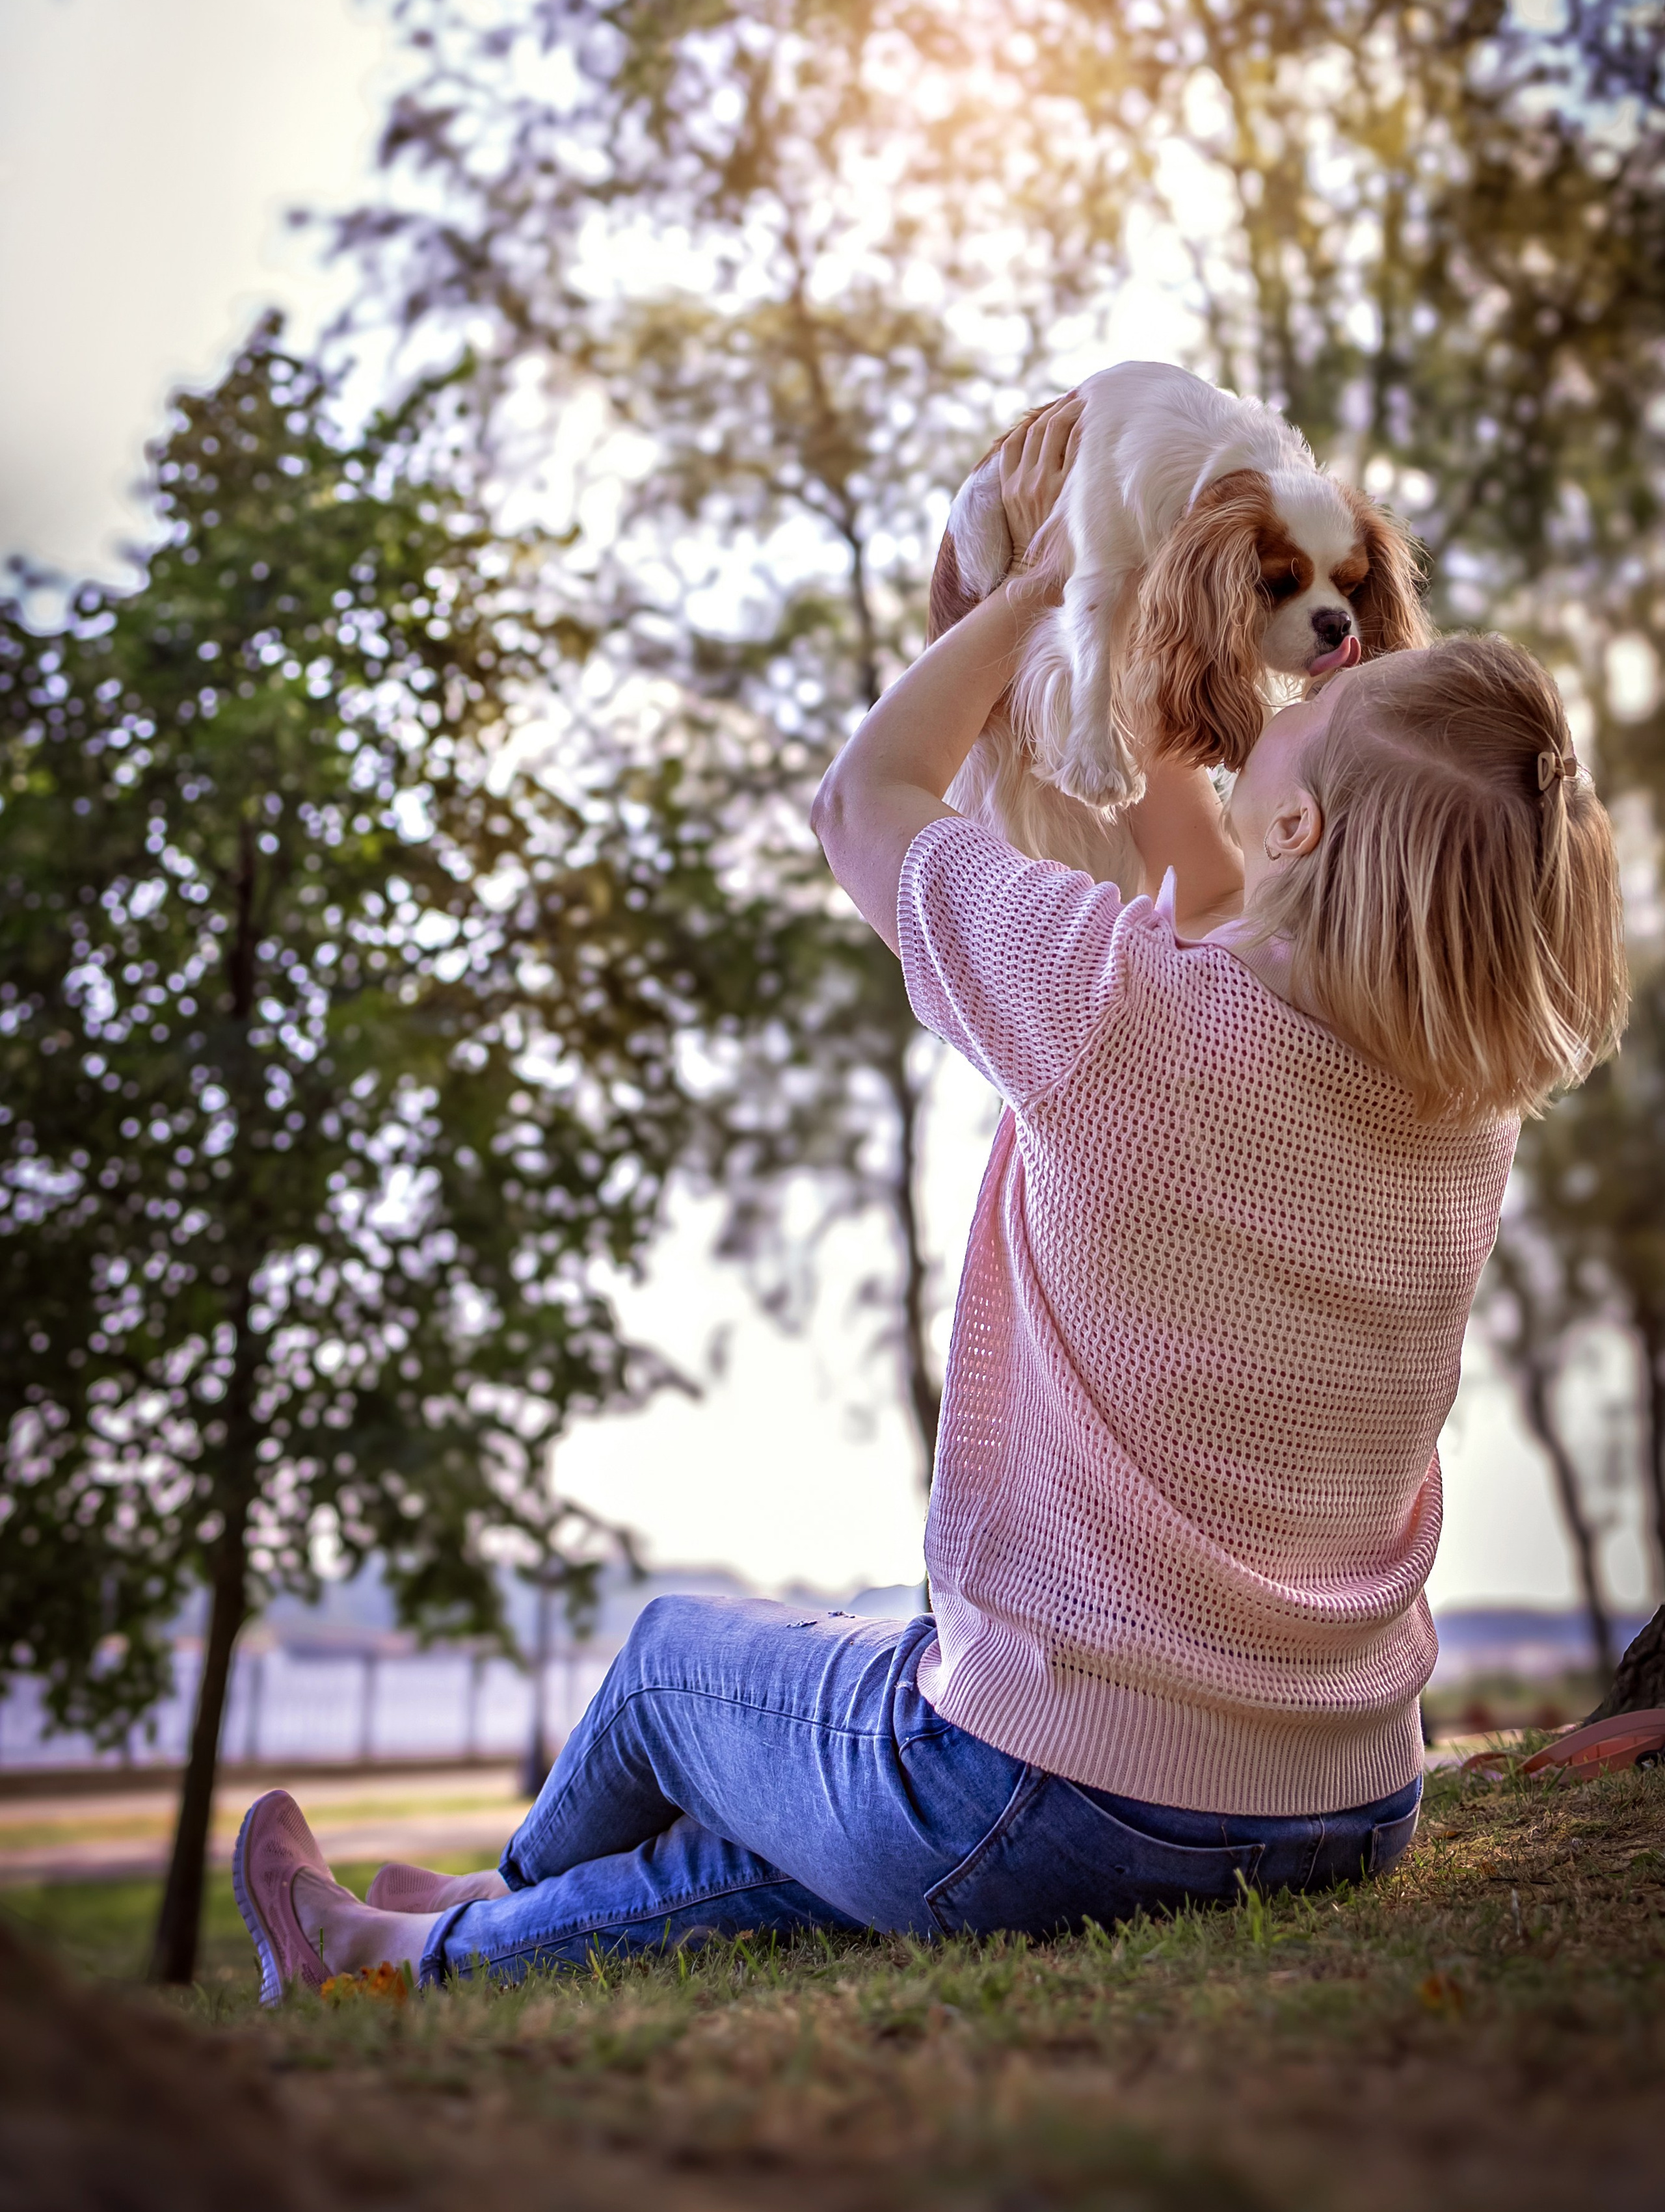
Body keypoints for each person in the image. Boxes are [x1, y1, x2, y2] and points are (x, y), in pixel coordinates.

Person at [233, 401, 1628, 2003]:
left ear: (1298, 824)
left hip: (1065, 1796)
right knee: (835, 1786)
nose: (1292, 686)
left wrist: (1042, 580)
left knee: (674, 1664)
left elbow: (864, 801)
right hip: (1343, 1799)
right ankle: (422, 1934)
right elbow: (1202, 870)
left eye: (1317, 709)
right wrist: (1151, 600)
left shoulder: (1119, 1009)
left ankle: (470, 1916)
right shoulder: (1464, 1112)